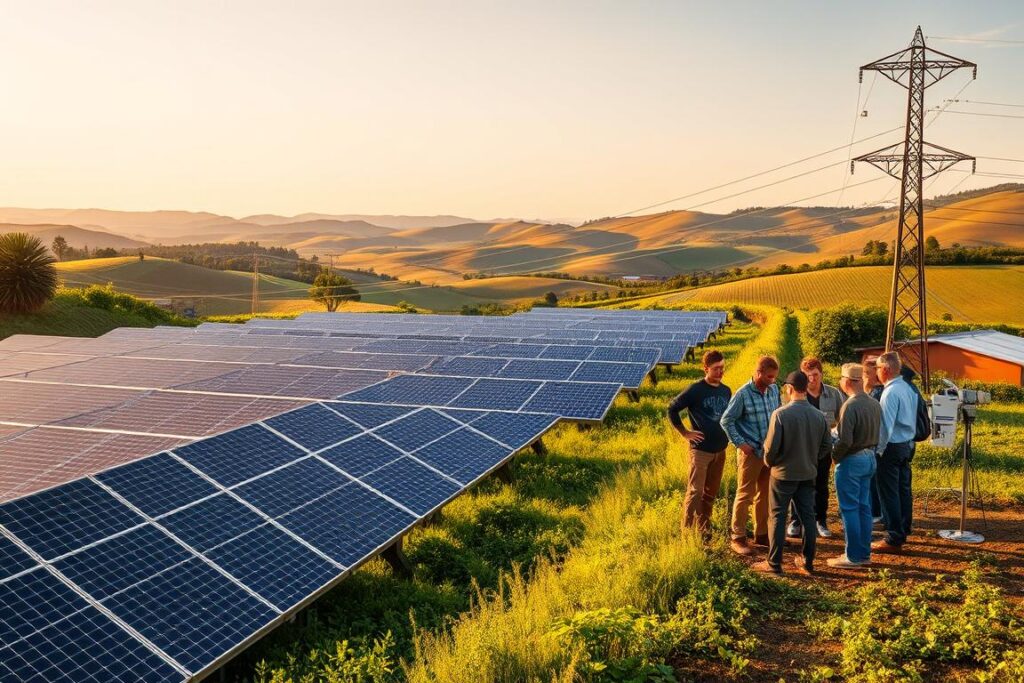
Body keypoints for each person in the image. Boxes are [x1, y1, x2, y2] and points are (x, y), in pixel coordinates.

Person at [753, 370, 832, 575]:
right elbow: (826, 446)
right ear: (806, 388)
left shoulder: (780, 414)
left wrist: (771, 462)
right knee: (808, 516)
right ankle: (808, 562)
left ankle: (774, 563)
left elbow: (770, 450)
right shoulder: (818, 416)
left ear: (788, 389)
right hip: (807, 473)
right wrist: (811, 459)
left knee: (778, 517)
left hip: (782, 475)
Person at [668, 350, 732, 538]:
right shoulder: (695, 389)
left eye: (722, 368)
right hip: (701, 452)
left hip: (720, 450)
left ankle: (704, 528)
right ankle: (687, 533)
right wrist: (685, 432)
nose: (720, 372)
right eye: (716, 369)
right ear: (705, 369)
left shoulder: (726, 390)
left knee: (710, 492)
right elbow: (672, 409)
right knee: (695, 492)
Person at [721, 355, 781, 556]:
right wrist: (740, 443)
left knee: (764, 493)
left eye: (774, 377)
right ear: (758, 373)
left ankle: (761, 534)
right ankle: (737, 537)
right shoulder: (743, 394)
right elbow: (726, 420)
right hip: (750, 453)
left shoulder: (774, 390)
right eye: (769, 377)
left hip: (768, 453)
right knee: (745, 493)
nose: (772, 380)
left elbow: (777, 416)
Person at [827, 363, 881, 569]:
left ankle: (853, 557)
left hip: (852, 460)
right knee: (863, 507)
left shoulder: (850, 405)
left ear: (847, 381)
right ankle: (863, 552)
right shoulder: (873, 403)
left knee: (849, 509)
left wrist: (834, 457)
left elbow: (845, 440)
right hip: (870, 457)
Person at [786, 357, 846, 539]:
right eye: (808, 375)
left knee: (821, 485)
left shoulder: (833, 394)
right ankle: (796, 520)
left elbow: (843, 419)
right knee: (798, 485)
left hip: (824, 449)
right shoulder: (795, 395)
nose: (812, 379)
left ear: (821, 374)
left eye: (815, 375)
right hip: (801, 450)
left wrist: (834, 437)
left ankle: (821, 520)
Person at [873, 351, 919, 554]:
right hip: (906, 445)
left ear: (885, 369)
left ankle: (893, 537)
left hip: (891, 447)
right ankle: (903, 529)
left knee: (889, 492)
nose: (876, 372)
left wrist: (878, 451)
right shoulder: (908, 388)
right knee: (903, 491)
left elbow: (885, 426)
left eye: (877, 368)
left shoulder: (890, 392)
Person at [862, 355, 884, 524]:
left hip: (874, 443)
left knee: (873, 480)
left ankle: (876, 512)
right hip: (872, 443)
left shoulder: (876, 394)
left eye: (866, 373)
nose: (864, 377)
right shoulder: (870, 392)